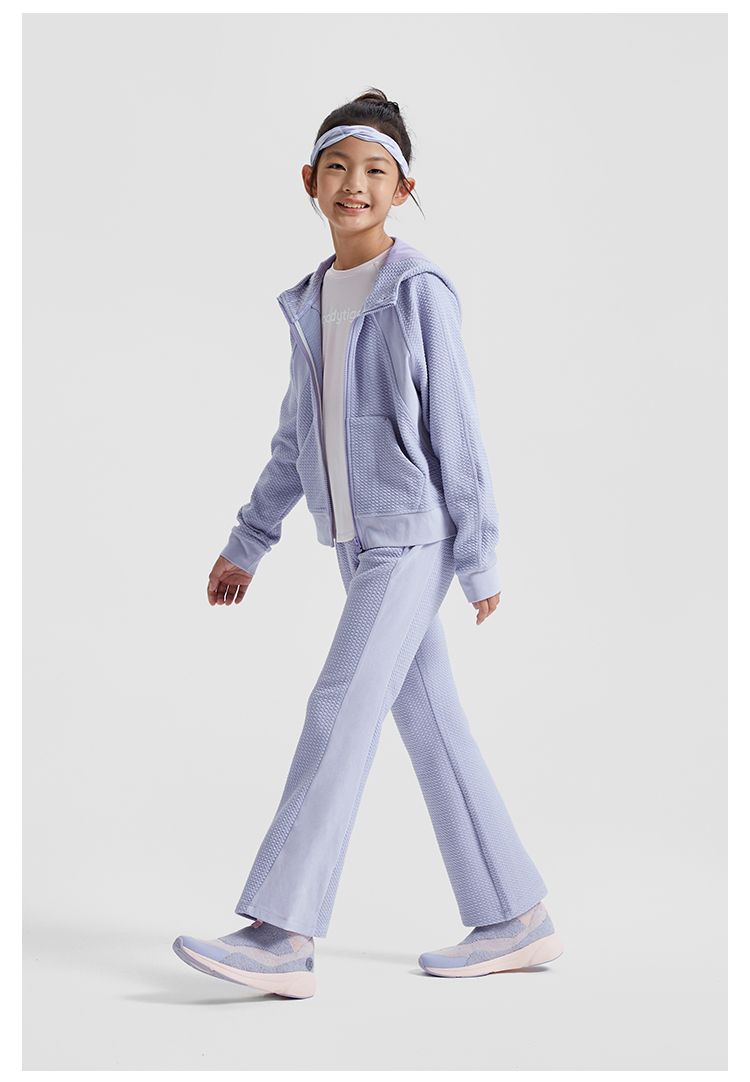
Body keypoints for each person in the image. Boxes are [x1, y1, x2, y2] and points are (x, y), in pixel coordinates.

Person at [173, 88, 563, 1000]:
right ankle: (516, 917)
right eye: (339, 168)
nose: (355, 184)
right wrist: (249, 541)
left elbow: (457, 428)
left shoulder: (418, 289)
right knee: (432, 725)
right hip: (356, 546)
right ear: (310, 181)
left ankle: (283, 933)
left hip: (414, 539)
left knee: (337, 709)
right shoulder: (312, 300)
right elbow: (294, 440)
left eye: (376, 171)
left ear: (403, 189)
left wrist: (480, 554)